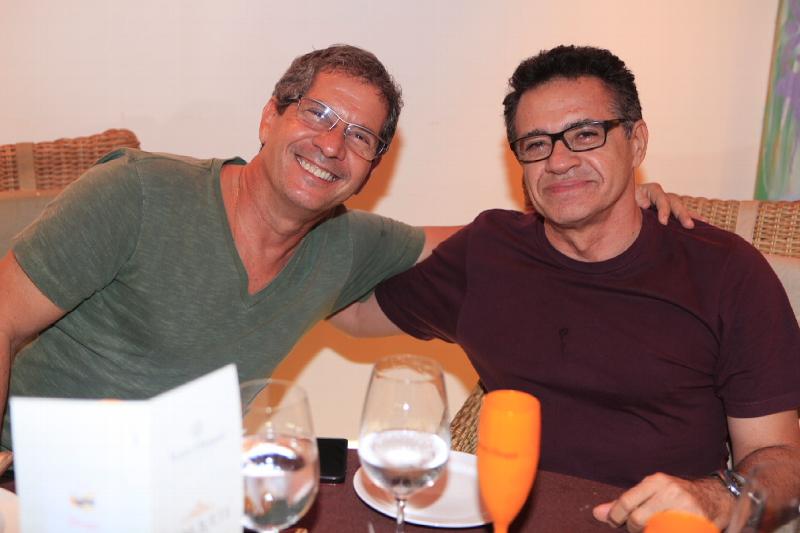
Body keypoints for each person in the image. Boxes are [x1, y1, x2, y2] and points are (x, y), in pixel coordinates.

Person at [0, 45, 685, 453]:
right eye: (318, 114)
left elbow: (481, 241)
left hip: (190, 496)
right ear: (270, 116)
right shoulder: (139, 193)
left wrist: (616, 202)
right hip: (33, 480)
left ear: (371, 168)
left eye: (360, 136)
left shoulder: (345, 243)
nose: (332, 145)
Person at [334, 45, 800, 531]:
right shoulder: (489, 252)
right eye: (536, 144)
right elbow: (357, 311)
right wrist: (297, 203)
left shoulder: (725, 271)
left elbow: (783, 459)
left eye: (585, 135)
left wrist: (718, 497)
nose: (558, 161)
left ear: (636, 142)